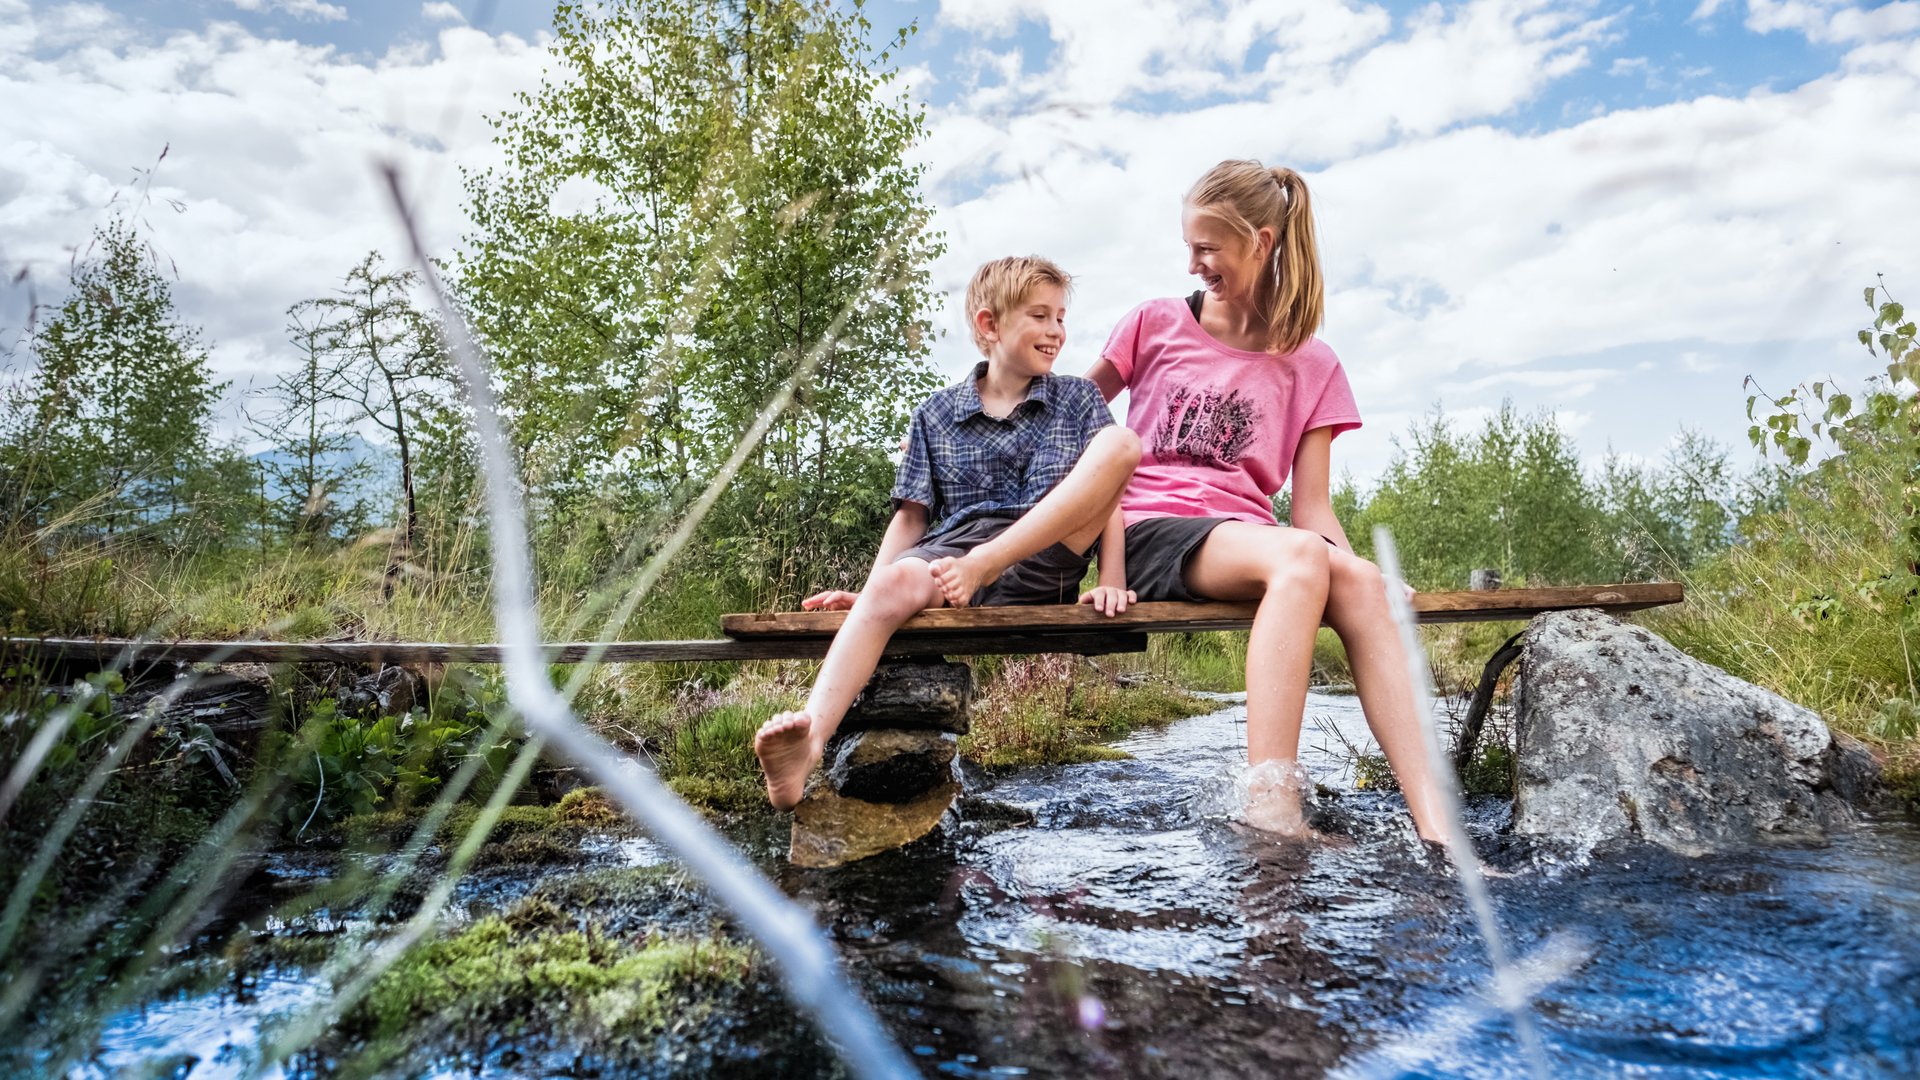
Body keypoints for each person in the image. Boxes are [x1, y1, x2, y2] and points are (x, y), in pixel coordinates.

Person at [1085, 160, 1450, 842]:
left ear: (1261, 240)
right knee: (1302, 560)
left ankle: (1438, 828)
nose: (1192, 263)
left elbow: (1311, 511)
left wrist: (1361, 570)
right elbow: (1065, 422)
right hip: (1148, 532)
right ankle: (1271, 805)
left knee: (1362, 580)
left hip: (1254, 543)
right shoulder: (1153, 324)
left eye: (1206, 247)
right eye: (1189, 246)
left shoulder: (1314, 363)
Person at [754, 256, 1142, 811]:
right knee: (892, 589)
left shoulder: (1078, 398)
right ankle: (808, 745)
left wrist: (1113, 578)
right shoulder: (935, 414)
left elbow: (1107, 498)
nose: (1057, 331)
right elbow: (911, 518)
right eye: (1040, 315)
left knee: (1121, 446)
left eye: (1061, 317)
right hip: (956, 558)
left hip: (1049, 551)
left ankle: (984, 562)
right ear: (990, 325)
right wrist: (870, 593)